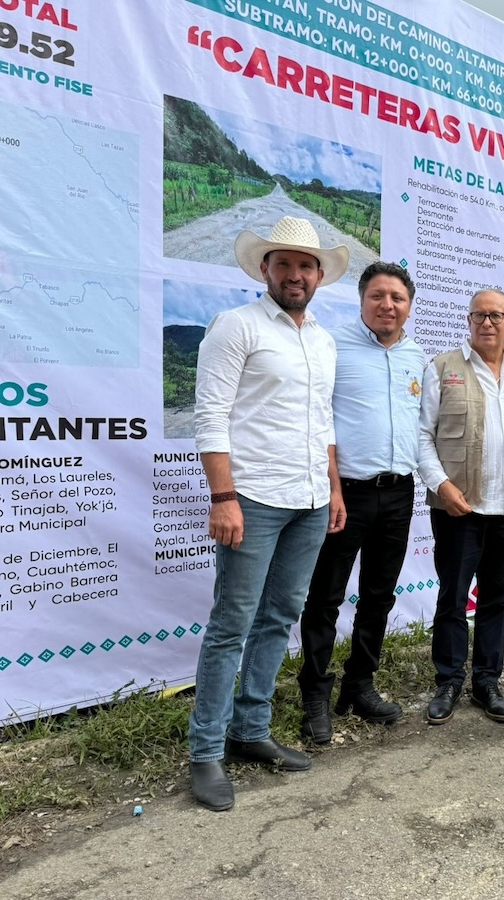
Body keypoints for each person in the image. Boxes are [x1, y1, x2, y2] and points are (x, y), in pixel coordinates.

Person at [188, 216, 349, 812]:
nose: (296, 274)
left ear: (319, 276)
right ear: (266, 269)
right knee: (232, 622)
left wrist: (333, 491)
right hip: (252, 498)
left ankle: (250, 730)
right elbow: (210, 416)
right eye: (285, 263)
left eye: (306, 265)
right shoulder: (236, 326)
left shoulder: (324, 341)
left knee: (279, 616)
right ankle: (205, 752)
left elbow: (323, 425)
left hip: (309, 500)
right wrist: (223, 497)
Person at [296, 262, 424, 743]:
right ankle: (315, 694)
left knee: (379, 594)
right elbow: (320, 423)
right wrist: (331, 488)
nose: (387, 304)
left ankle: (359, 684)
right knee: (325, 596)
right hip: (344, 493)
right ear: (362, 299)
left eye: (397, 297)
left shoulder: (416, 356)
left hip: (398, 491)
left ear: (408, 306)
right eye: (378, 295)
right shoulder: (334, 347)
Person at [418, 290, 504, 723]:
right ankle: (449, 681)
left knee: (496, 600)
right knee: (452, 597)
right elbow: (422, 435)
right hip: (458, 507)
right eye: (479, 315)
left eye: (496, 316)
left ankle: (486, 682)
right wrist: (441, 485)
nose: (487, 323)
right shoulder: (442, 368)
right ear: (468, 321)